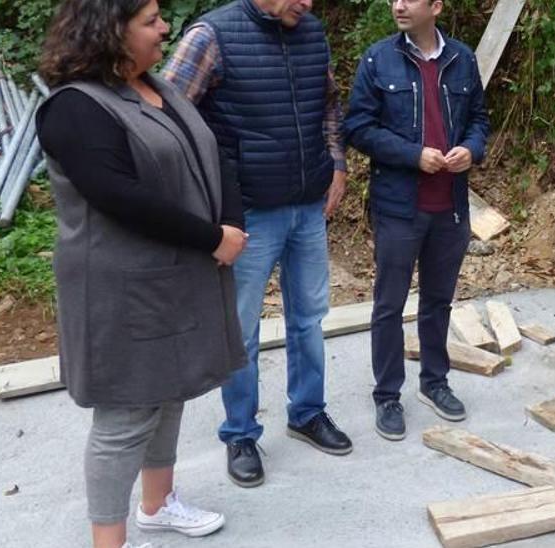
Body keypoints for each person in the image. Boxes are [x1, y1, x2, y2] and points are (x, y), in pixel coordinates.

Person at [37, 0, 247, 546]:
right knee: (126, 417)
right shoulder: (75, 109)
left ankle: (157, 505)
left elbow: (213, 153)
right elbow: (117, 196)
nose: (165, 28)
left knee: (170, 391)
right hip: (120, 289)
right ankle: (110, 540)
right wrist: (211, 238)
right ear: (110, 30)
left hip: (174, 274)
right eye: (151, 20)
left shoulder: (156, 86)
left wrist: (231, 222)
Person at [163, 0, 352, 488]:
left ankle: (308, 412)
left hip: (308, 206)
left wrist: (337, 160)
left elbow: (329, 103)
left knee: (309, 318)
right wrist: (209, 199)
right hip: (247, 215)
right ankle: (240, 433)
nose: (307, 4)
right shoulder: (211, 36)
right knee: (241, 329)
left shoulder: (310, 31)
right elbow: (166, 118)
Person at [344, 0, 490, 441]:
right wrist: (412, 155)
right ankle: (388, 395)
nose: (399, 5)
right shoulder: (378, 59)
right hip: (399, 207)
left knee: (438, 300)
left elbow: (480, 120)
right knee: (389, 305)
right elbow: (358, 127)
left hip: (451, 205)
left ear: (436, 7)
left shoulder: (462, 58)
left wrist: (471, 150)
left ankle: (434, 382)